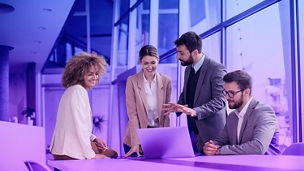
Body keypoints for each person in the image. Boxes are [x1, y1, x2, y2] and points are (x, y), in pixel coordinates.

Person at [162, 31, 227, 153]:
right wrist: (179, 106)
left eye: (181, 53)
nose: (177, 57)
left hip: (212, 135)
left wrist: (195, 111)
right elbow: (187, 92)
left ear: (195, 52)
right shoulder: (188, 69)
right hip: (193, 131)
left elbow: (220, 101)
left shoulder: (216, 69)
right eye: (177, 52)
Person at [203, 70, 281, 155]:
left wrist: (220, 151)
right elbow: (222, 140)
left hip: (265, 166)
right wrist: (211, 146)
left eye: (232, 93)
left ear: (246, 92)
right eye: (226, 92)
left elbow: (258, 147)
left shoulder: (264, 112)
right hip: (241, 165)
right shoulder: (232, 116)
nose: (227, 97)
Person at [50, 52, 108, 159]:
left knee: (109, 154)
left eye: (96, 73)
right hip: (70, 152)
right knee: (107, 159)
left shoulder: (70, 91)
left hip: (62, 151)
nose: (94, 77)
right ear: (79, 75)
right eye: (90, 74)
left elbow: (73, 123)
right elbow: (79, 126)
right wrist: (91, 155)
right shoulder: (78, 91)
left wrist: (94, 138)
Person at [124, 45, 172, 157]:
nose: (149, 66)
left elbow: (166, 113)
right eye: (146, 63)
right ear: (140, 62)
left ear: (158, 60)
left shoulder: (166, 81)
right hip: (135, 139)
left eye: (153, 62)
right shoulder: (132, 81)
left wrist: (165, 140)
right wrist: (136, 142)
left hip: (156, 138)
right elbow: (132, 115)